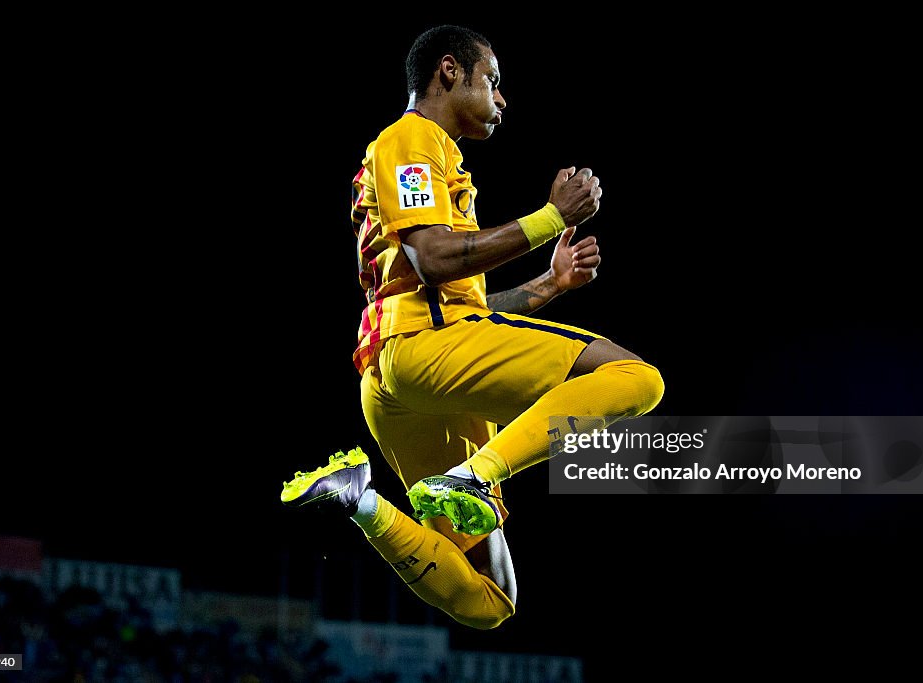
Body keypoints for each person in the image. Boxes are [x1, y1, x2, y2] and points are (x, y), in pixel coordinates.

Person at [281, 24, 664, 630]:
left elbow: (459, 300)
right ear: (450, 70)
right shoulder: (411, 139)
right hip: (425, 353)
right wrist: (550, 217)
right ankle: (476, 476)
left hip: (402, 371)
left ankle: (361, 500)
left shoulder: (431, 157)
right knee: (637, 378)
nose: (501, 99)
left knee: (491, 602)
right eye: (493, 80)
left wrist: (548, 285)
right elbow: (435, 258)